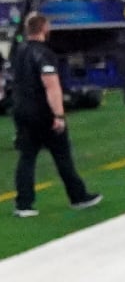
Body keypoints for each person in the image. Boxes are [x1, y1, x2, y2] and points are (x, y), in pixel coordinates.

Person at [11, 12, 102, 217]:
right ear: (43, 28)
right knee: (62, 156)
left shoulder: (19, 51)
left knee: (26, 158)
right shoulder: (43, 53)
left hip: (21, 111)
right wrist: (59, 115)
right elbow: (51, 85)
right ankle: (78, 196)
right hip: (42, 113)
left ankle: (23, 204)